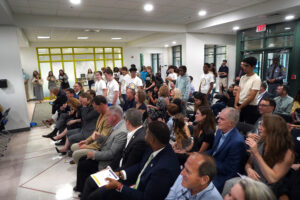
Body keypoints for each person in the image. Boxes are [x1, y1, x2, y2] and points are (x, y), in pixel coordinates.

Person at [82, 121, 180, 200]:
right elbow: (141, 166)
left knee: (98, 196)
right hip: (134, 185)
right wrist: (120, 174)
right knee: (93, 188)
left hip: (137, 192)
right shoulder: (154, 147)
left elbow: (147, 197)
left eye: (147, 133)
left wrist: (119, 187)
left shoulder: (164, 169)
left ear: (153, 139)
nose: (144, 134)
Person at [81, 108, 148, 199]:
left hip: (124, 176)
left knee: (93, 191)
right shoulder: (134, 133)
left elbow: (129, 165)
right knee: (90, 180)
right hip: (118, 169)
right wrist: (109, 168)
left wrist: (112, 172)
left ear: (127, 121)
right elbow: (120, 154)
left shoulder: (139, 140)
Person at [223, 114, 294, 197]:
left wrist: (256, 153)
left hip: (267, 188)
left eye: (263, 126)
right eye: (260, 124)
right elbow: (248, 163)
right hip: (251, 181)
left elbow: (272, 179)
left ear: (272, 129)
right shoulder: (261, 141)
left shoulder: (287, 153)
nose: (259, 128)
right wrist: (249, 170)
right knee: (229, 184)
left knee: (231, 185)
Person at [74, 105, 127, 194]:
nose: (106, 118)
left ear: (114, 117)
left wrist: (94, 155)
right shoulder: (116, 126)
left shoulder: (121, 131)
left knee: (84, 164)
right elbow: (109, 141)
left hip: (108, 162)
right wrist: (100, 137)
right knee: (83, 159)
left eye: (108, 116)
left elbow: (112, 153)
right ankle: (82, 187)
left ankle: (84, 190)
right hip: (103, 153)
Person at [206, 107, 246, 192]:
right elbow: (213, 152)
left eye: (222, 119)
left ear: (231, 123)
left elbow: (230, 170)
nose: (218, 121)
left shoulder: (237, 142)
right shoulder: (220, 131)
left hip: (221, 176)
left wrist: (208, 162)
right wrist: (199, 155)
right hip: (212, 168)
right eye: (219, 118)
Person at [70, 95, 113, 164]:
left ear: (101, 105)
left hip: (101, 147)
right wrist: (87, 141)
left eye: (95, 107)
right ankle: (81, 160)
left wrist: (87, 146)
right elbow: (95, 132)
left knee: (75, 154)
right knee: (74, 147)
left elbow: (102, 139)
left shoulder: (108, 118)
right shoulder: (101, 114)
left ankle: (82, 165)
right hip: (95, 143)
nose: (95, 109)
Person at [235, 57, 261, 124]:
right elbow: (238, 91)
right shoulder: (243, 77)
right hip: (239, 105)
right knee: (237, 126)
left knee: (247, 129)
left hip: (250, 107)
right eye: (243, 65)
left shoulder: (256, 79)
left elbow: (251, 97)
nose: (244, 67)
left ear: (253, 66)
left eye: (247, 66)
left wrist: (240, 107)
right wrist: (236, 104)